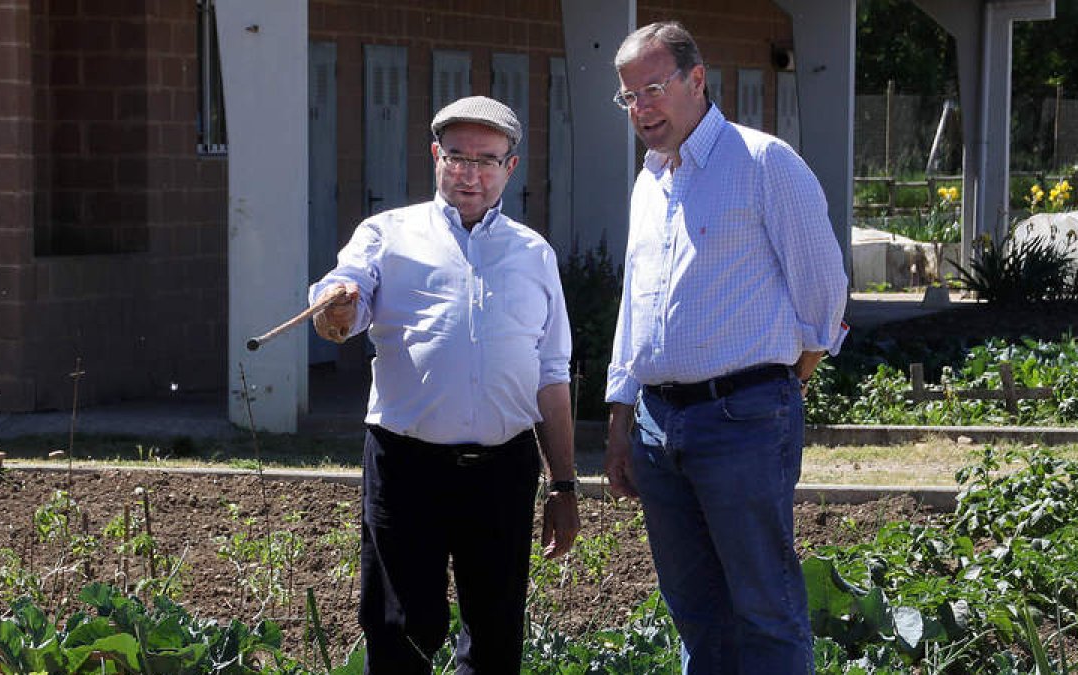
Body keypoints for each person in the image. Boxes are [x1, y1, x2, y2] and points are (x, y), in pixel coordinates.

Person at [603, 22, 849, 674]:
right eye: (628, 97)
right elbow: (636, 305)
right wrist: (622, 419)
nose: (642, 108)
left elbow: (824, 294)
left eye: (653, 89)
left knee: (765, 607)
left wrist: (780, 383)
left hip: (744, 421)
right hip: (658, 426)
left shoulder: (763, 163)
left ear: (696, 78)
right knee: (695, 611)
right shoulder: (648, 183)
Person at [308, 96, 580, 674]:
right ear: (436, 156)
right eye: (458, 156)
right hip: (407, 466)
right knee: (400, 629)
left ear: (511, 167)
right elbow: (344, 296)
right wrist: (334, 306)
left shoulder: (534, 254)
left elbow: (552, 376)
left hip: (504, 468)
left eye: (488, 160)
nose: (471, 173)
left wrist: (563, 485)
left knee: (496, 634)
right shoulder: (387, 233)